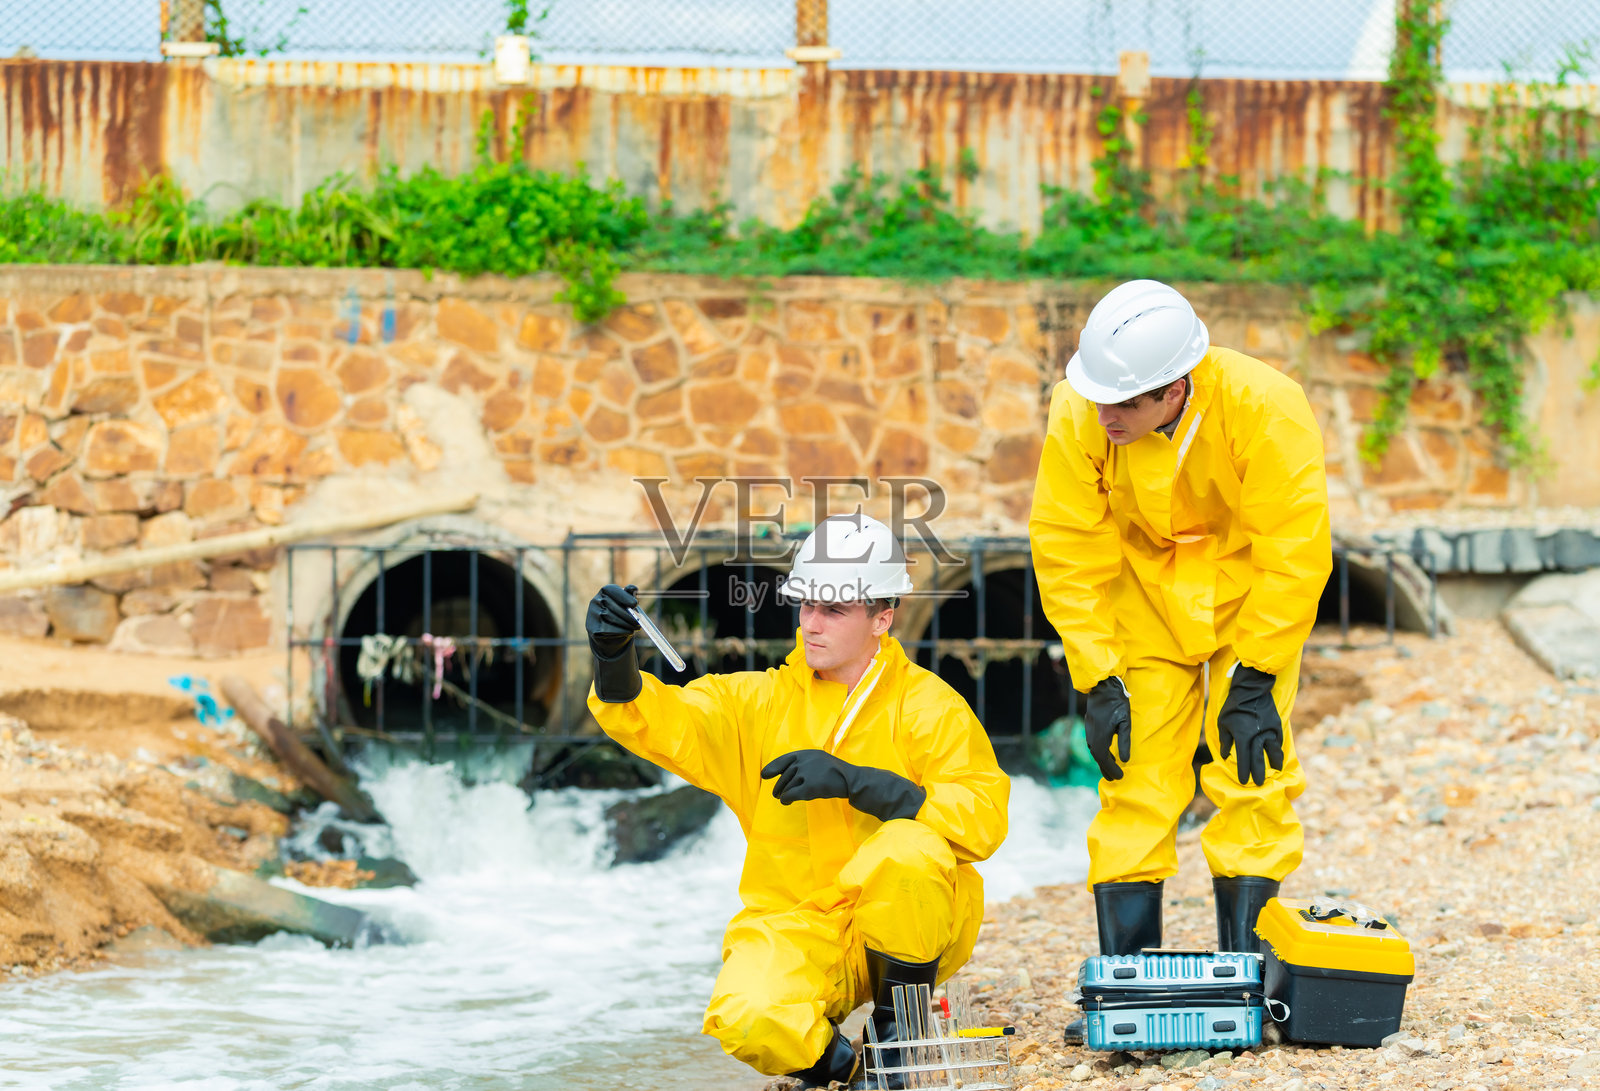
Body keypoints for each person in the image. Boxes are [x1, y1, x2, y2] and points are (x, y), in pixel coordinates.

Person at [586, 513, 1010, 1086]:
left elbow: (983, 817)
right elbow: (656, 719)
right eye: (806, 604)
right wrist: (612, 655)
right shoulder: (759, 702)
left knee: (909, 849)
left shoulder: (929, 706)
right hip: (797, 926)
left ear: (882, 617)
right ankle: (850, 1068)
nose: (811, 623)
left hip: (909, 926)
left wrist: (862, 783)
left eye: (833, 609)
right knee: (745, 1017)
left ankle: (897, 1042)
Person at [1028, 280, 1331, 1040]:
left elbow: (1295, 550)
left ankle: (1252, 987)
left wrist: (1257, 673)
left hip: (1247, 602)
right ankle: (1126, 990)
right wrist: (1097, 674)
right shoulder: (1082, 407)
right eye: (1098, 398)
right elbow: (1066, 545)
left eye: (1124, 405)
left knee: (1253, 775)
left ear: (1174, 388)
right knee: (1134, 780)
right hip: (1142, 603)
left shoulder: (1266, 406)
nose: (1106, 416)